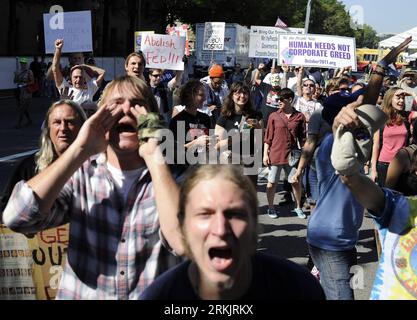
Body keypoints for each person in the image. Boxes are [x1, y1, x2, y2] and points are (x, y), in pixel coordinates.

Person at [3, 76, 181, 299]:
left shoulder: (173, 176)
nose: (126, 109)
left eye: (137, 104)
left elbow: (183, 242)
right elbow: (17, 218)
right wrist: (80, 148)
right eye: (116, 104)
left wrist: (155, 156)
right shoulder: (81, 173)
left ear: (152, 117)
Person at [307, 37, 412, 300]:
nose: (361, 107)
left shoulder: (345, 142)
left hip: (341, 238)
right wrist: (377, 73)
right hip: (331, 241)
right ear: (341, 115)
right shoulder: (335, 144)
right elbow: (366, 106)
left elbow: (366, 105)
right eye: (353, 106)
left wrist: (380, 69)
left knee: (341, 291)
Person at [140, 164, 325, 300]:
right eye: (205, 214)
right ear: (183, 226)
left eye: (234, 214)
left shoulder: (299, 289)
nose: (220, 229)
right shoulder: (160, 295)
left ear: (254, 222)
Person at [1, 100, 87, 215]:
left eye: (70, 122)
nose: (63, 128)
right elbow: (6, 209)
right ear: (48, 129)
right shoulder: (30, 166)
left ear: (83, 127)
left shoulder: (97, 166)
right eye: (57, 122)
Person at [263, 88, 307, 219]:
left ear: (290, 100)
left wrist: (305, 156)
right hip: (275, 154)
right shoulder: (274, 116)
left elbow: (303, 139)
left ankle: (298, 207)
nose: (279, 102)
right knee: (271, 183)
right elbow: (268, 138)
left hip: (292, 156)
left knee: (295, 182)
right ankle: (271, 208)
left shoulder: (300, 116)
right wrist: (265, 154)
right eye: (278, 99)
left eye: (281, 99)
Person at [215, 82, 263, 187]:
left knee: (250, 194)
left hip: (250, 159)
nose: (242, 96)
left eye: (245, 93)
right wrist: (237, 138)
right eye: (238, 93)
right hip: (230, 160)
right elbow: (217, 145)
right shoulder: (224, 117)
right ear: (231, 95)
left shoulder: (255, 115)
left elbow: (260, 142)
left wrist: (258, 127)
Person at [371, 87, 412, 186]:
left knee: (399, 197)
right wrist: (373, 170)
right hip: (384, 164)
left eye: (403, 98)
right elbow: (376, 145)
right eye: (398, 97)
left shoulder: (406, 117)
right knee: (386, 196)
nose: (402, 100)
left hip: (402, 165)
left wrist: (412, 94)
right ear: (390, 99)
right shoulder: (380, 118)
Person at [52, 39, 106, 111]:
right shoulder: (66, 88)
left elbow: (102, 72)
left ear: (84, 78)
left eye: (80, 77)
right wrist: (58, 49)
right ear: (71, 78)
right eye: (75, 77)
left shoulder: (90, 87)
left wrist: (84, 66)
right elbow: (55, 68)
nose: (78, 79)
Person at [13, 57, 34, 128]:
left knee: (22, 107)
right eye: (22, 63)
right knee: (22, 107)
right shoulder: (17, 71)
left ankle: (19, 123)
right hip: (19, 91)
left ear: (26, 64)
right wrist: (16, 76)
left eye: (24, 63)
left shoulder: (29, 72)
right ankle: (29, 120)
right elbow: (15, 81)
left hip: (27, 91)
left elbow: (32, 81)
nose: (23, 65)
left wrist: (25, 84)